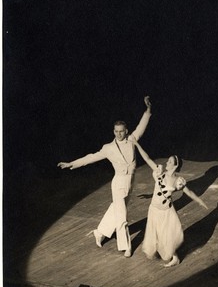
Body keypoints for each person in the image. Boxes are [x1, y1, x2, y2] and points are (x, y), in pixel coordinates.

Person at [57, 96, 152, 258]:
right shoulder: (108, 148)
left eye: (122, 131)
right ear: (113, 131)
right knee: (122, 215)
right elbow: (90, 157)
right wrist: (71, 163)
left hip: (130, 182)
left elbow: (142, 125)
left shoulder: (132, 139)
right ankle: (125, 247)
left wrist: (148, 110)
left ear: (126, 131)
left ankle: (100, 232)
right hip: (118, 183)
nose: (119, 134)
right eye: (116, 131)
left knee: (115, 208)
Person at [131, 138, 208, 267]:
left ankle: (175, 257)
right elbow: (147, 158)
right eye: (168, 160)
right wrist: (137, 144)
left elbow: (189, 192)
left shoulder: (178, 180)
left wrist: (200, 201)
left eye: (170, 161)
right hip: (154, 210)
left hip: (166, 212)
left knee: (167, 235)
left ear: (175, 165)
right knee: (155, 233)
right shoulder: (159, 172)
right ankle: (169, 254)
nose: (167, 162)